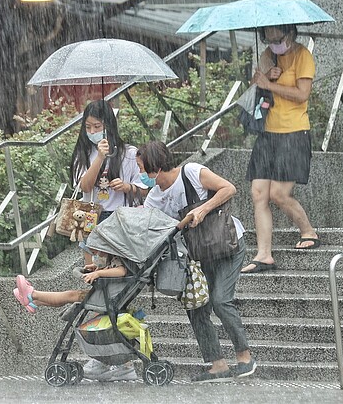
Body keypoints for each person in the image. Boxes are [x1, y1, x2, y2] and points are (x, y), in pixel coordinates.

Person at [136, 141, 256, 382]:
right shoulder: (153, 200)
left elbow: (228, 188)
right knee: (196, 307)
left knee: (221, 300)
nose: (141, 175)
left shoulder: (190, 172)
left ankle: (245, 357)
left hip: (228, 245)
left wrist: (202, 209)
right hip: (200, 254)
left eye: (142, 168)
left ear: (156, 167)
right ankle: (218, 364)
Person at [242, 24, 320, 274]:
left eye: (279, 37)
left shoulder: (302, 55)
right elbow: (256, 84)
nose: (274, 42)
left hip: (294, 133)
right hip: (267, 134)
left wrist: (271, 84)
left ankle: (308, 230)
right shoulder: (267, 55)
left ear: (291, 34)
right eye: (269, 37)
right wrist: (264, 78)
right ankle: (264, 254)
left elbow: (302, 94)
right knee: (258, 193)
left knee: (278, 194)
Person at [13, 249, 138, 381]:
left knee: (72, 295)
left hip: (110, 296)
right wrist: (97, 268)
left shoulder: (120, 256)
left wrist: (99, 273)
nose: (96, 254)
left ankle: (32, 295)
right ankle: (35, 301)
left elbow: (121, 271)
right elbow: (116, 270)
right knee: (70, 297)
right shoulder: (118, 255)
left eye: (98, 251)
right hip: (110, 294)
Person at [70, 99, 145, 266]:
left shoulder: (129, 153)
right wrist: (99, 158)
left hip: (120, 216)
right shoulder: (83, 154)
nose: (92, 131)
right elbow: (85, 186)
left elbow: (146, 188)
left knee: (118, 269)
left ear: (109, 126)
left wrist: (127, 187)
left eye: (97, 127)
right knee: (93, 269)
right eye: (88, 127)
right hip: (91, 215)